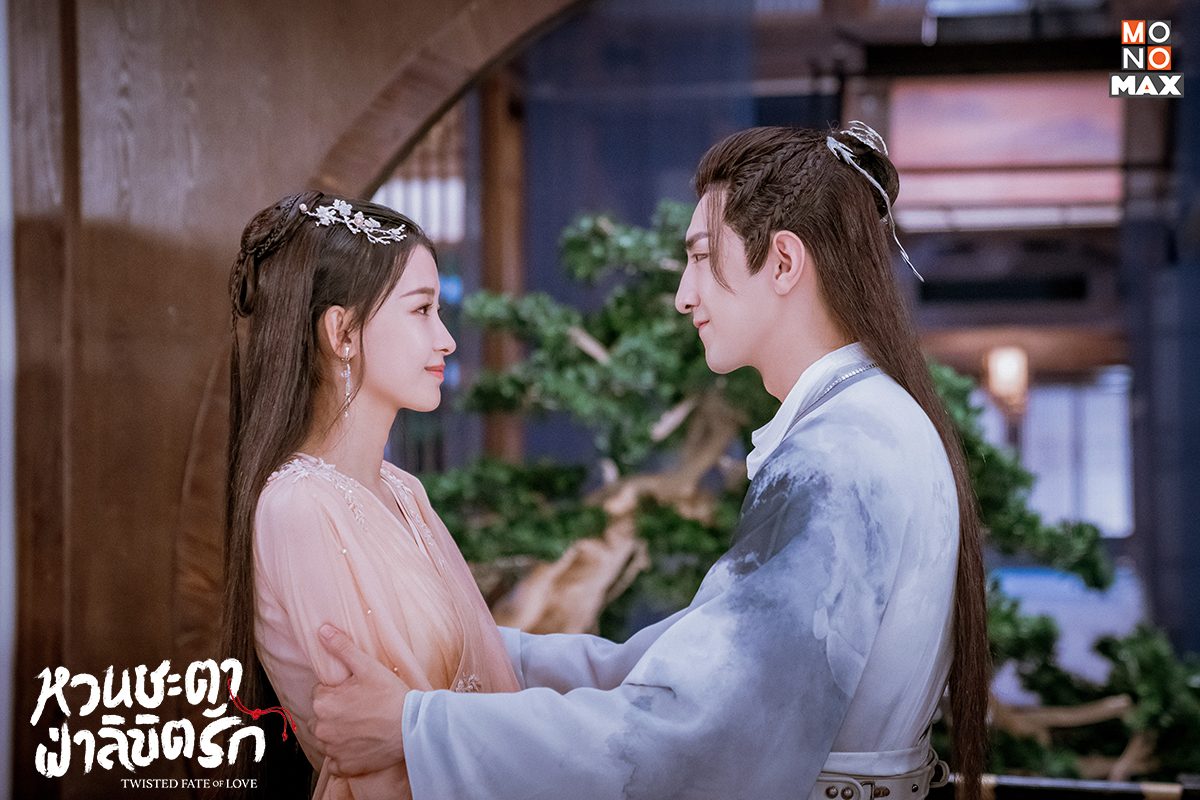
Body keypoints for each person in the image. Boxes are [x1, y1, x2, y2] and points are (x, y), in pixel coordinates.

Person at [309, 123, 989, 800]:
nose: (684, 295)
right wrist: (483, 652)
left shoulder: (836, 457)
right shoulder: (873, 421)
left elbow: (695, 731)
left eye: (702, 257)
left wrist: (415, 727)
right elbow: (682, 666)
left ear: (784, 262)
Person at [222, 191, 520, 800]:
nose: (446, 339)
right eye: (422, 310)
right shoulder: (298, 507)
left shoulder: (404, 490)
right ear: (343, 332)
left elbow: (482, 684)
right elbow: (375, 750)